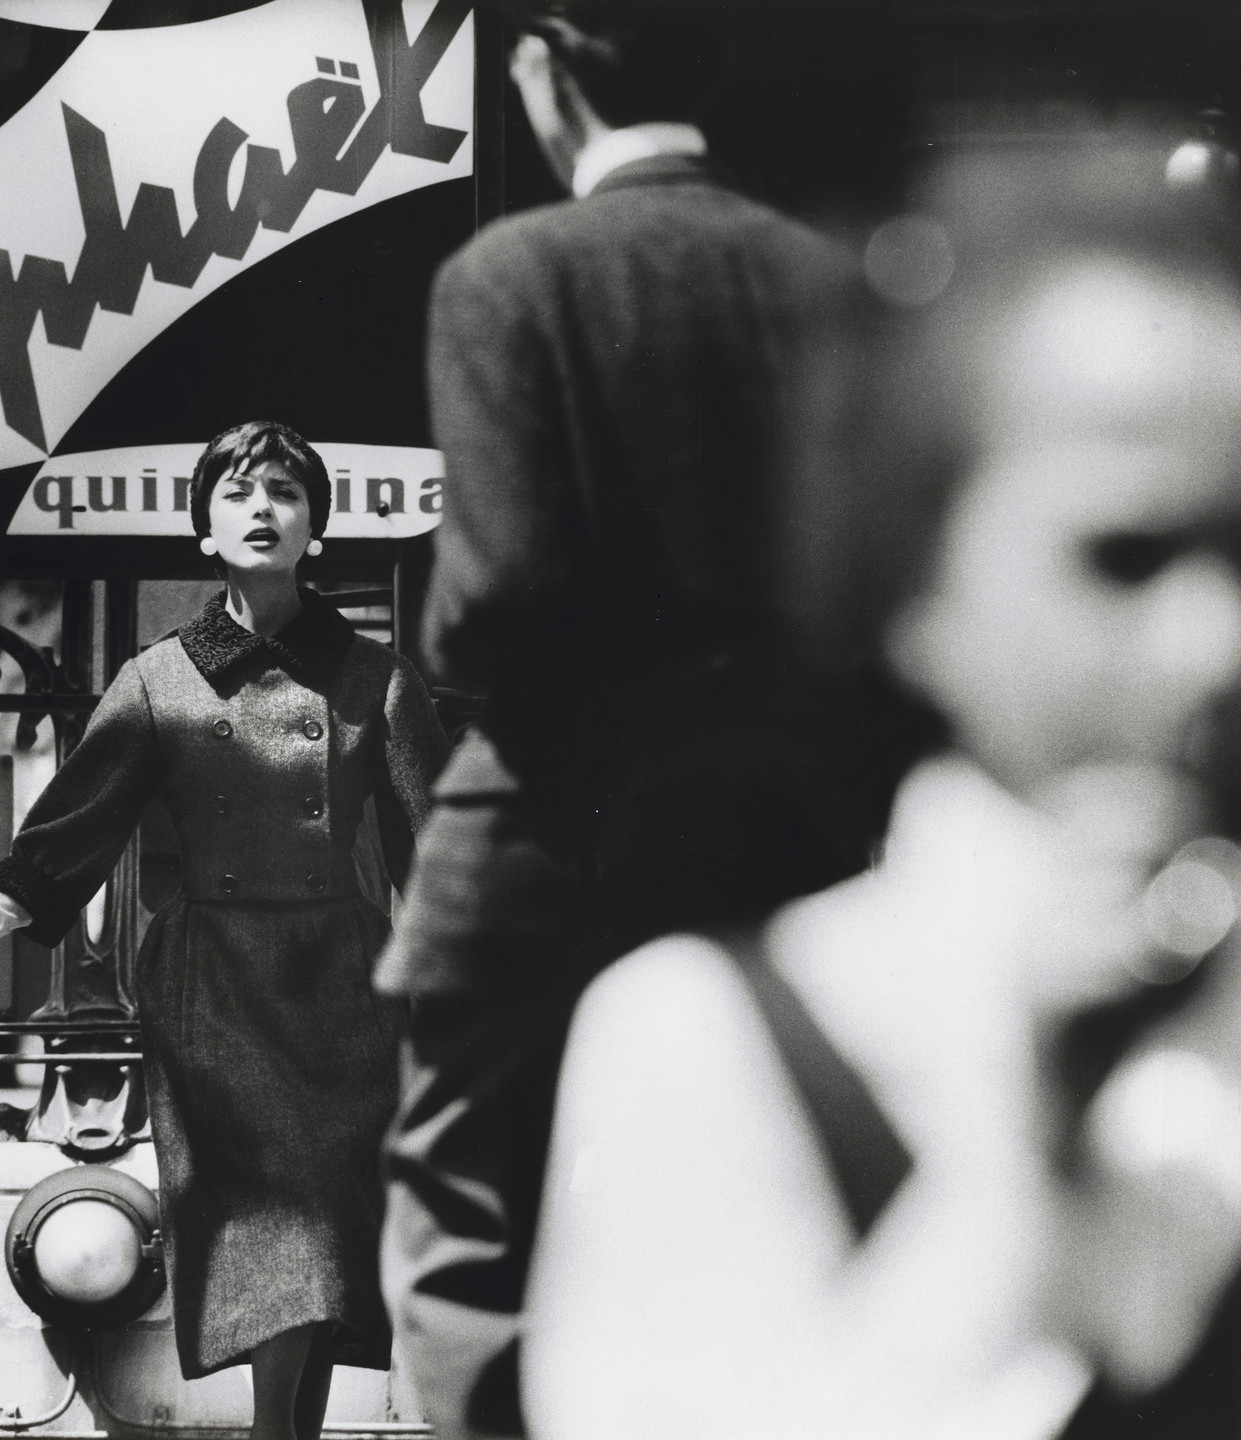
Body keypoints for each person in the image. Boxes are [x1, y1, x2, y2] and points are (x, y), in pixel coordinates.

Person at [521, 134, 1241, 1440]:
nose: (1217, 644)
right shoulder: (709, 1039)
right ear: (909, 580)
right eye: (1125, 556)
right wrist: (1011, 1165)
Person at [374, 4, 902, 1437]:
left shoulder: (509, 273)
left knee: (473, 1215)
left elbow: (495, 605)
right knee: (773, 1193)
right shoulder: (823, 280)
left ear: (543, 71)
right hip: (790, 829)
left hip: (550, 825)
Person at [0, 421, 448, 1440]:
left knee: (320, 1241)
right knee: (265, 1242)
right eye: (237, 492)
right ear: (203, 527)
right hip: (215, 996)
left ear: (314, 529)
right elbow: (71, 826)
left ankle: (275, 1433)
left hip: (339, 992)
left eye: (283, 492)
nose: (260, 508)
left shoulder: (376, 680)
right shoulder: (158, 678)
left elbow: (445, 850)